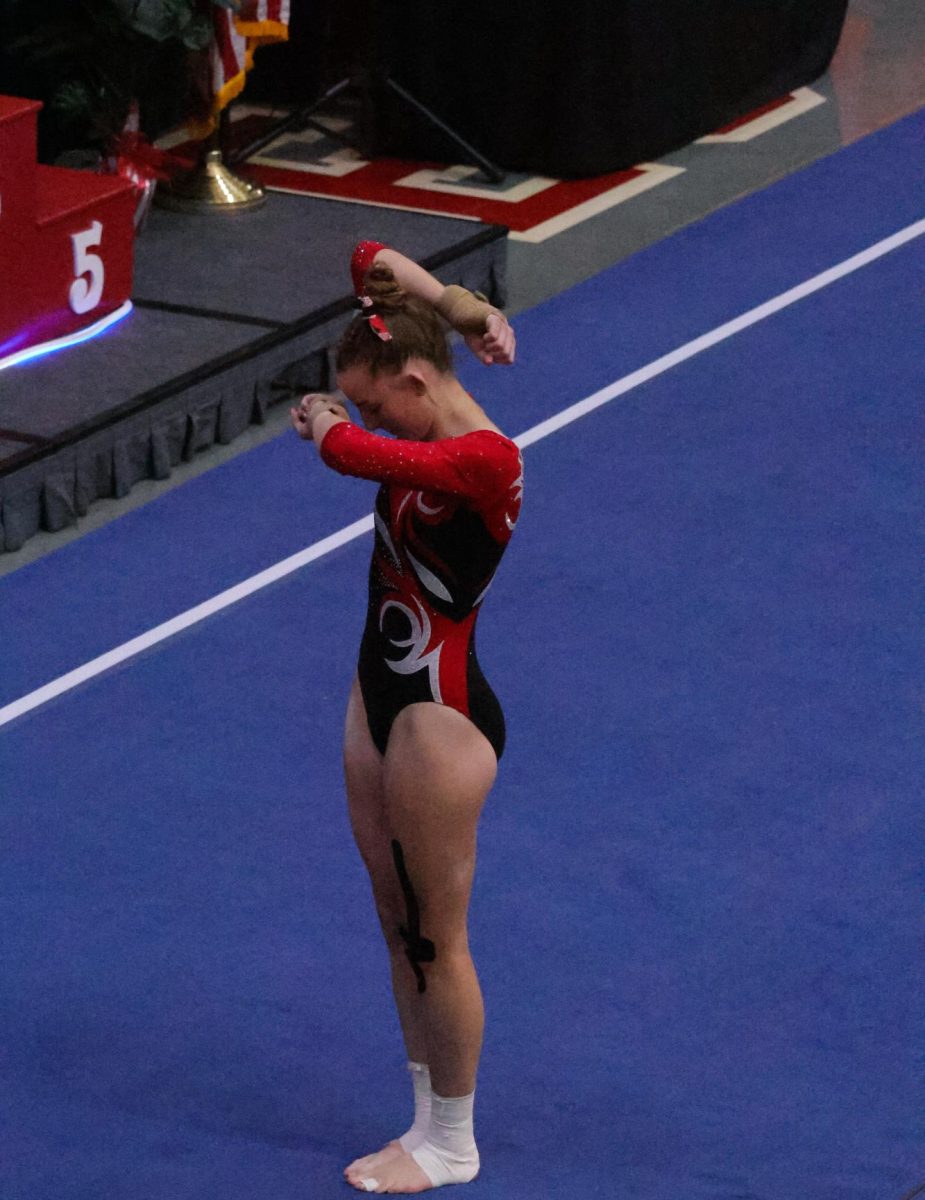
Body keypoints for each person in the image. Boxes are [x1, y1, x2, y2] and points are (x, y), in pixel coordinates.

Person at [290, 241, 522, 1194]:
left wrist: (324, 421)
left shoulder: (484, 459)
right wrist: (454, 303)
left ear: (418, 384)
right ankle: (424, 1124)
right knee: (398, 926)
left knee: (436, 935)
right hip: (376, 696)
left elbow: (354, 453)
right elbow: (364, 256)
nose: (367, 412)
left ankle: (454, 1142)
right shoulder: (419, 375)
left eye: (381, 401)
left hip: (441, 719)